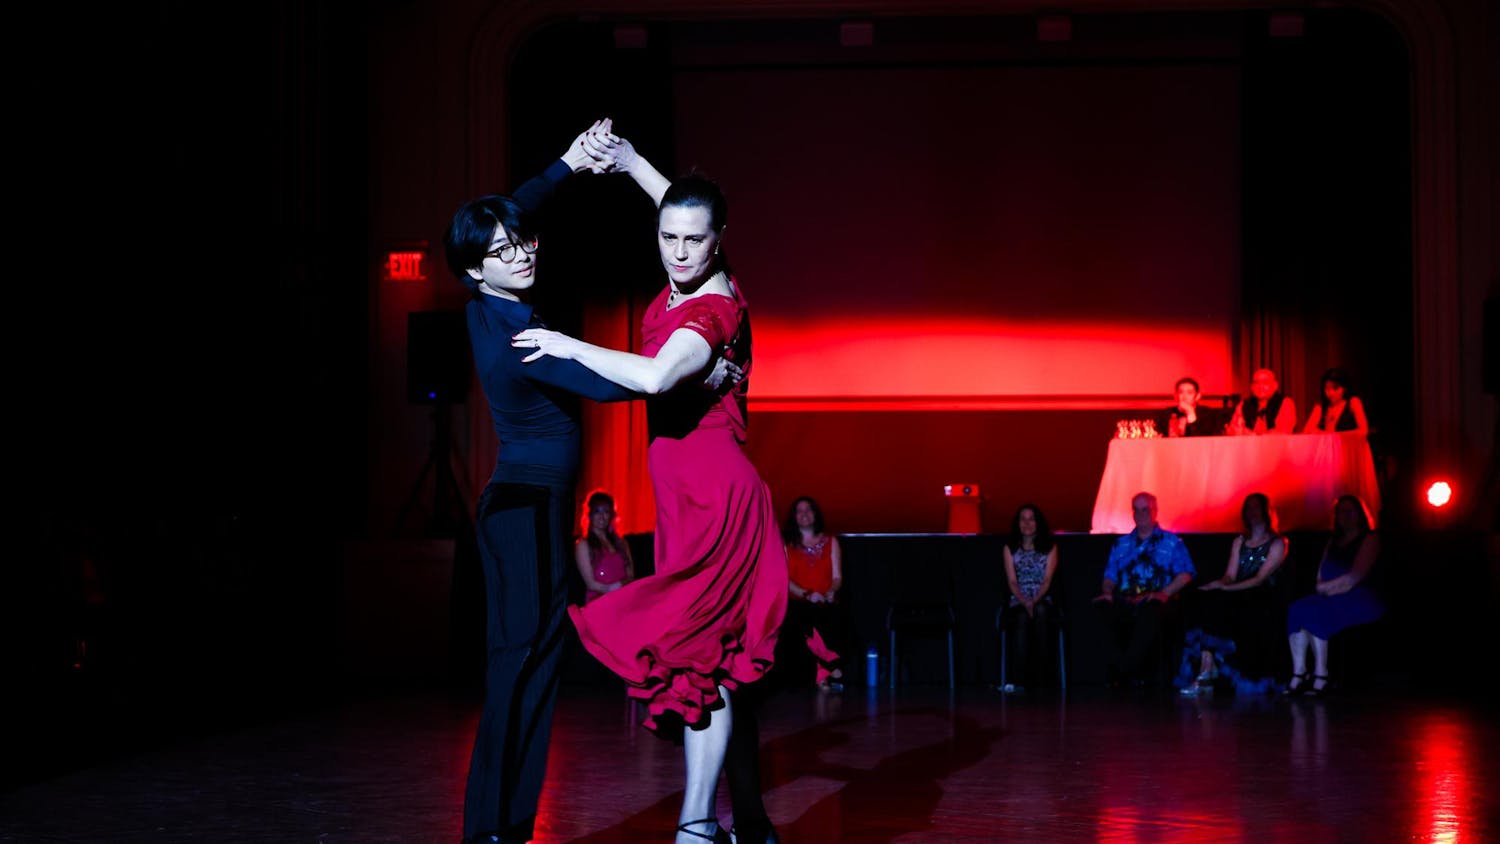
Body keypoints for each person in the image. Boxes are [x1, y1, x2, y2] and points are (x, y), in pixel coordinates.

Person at [446, 123, 741, 844]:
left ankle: (507, 824)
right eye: (503, 252)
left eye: (523, 242)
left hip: (531, 508)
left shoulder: (491, 301)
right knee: (520, 666)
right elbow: (625, 386)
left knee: (536, 662)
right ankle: (490, 829)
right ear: (475, 271)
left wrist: (566, 166)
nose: (520, 253)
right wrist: (705, 370)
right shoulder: (518, 332)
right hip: (521, 507)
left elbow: (506, 213)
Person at [514, 128, 785, 844]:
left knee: (704, 665)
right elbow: (678, 203)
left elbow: (658, 376)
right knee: (719, 664)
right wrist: (632, 162)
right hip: (682, 501)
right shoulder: (683, 254)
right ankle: (749, 820)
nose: (679, 251)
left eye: (695, 241)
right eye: (668, 237)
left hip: (717, 501)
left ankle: (697, 825)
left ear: (718, 241)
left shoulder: (711, 309)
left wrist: (565, 340)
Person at [1179, 492, 1288, 696]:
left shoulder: (1278, 543)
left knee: (1222, 603)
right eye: (1248, 508)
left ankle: (1209, 670)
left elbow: (1260, 578)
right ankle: (1206, 666)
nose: (1252, 512)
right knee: (1202, 599)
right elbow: (1230, 574)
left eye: (1256, 507)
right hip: (1238, 592)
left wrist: (1226, 588)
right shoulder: (1239, 542)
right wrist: (1217, 585)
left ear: (1266, 511)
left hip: (1262, 596)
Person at [1092, 492, 1196, 687]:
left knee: (1151, 612)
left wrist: (1164, 593)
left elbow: (1185, 574)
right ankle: (1121, 669)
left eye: (1145, 509)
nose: (1140, 514)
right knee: (1101, 609)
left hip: (1156, 600)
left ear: (1155, 511)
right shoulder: (1120, 544)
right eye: (1136, 510)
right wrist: (1107, 591)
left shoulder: (1171, 542)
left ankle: (1126, 670)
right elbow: (1110, 576)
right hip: (1126, 599)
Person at [1284, 494, 1384, 697]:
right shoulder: (1333, 541)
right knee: (1297, 609)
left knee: (1317, 612)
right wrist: (1322, 587)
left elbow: (1355, 576)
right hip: (1331, 594)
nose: (1345, 516)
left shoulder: (1370, 539)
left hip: (1360, 597)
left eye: (1350, 511)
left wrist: (1328, 589)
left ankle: (1322, 675)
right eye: (1341, 511)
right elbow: (1320, 572)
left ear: (1360, 514)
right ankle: (1299, 672)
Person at [778, 496, 847, 692]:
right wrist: (807, 594)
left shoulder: (831, 542)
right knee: (805, 619)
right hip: (799, 600)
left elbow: (837, 577)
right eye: (799, 511)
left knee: (829, 617)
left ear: (815, 514)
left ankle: (824, 674)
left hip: (825, 600)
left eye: (808, 510)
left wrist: (830, 592)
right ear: (794, 516)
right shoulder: (786, 545)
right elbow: (784, 579)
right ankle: (829, 668)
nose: (804, 514)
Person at [999, 503, 1060, 694]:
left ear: (1038, 522)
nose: (1027, 523)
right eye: (1023, 519)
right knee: (1022, 617)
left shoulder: (1050, 547)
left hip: (1042, 596)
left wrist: (1034, 600)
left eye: (1031, 519)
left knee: (1041, 612)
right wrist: (1025, 601)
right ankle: (1020, 680)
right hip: (1018, 598)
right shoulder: (1009, 548)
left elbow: (1047, 579)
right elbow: (1012, 581)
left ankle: (1042, 679)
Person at [575, 489, 634, 603]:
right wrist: (611, 589)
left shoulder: (621, 543)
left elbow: (630, 575)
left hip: (624, 599)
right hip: (599, 602)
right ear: (590, 515)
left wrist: (620, 588)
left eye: (606, 511)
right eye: (597, 511)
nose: (602, 516)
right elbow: (591, 583)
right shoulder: (583, 545)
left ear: (611, 515)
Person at [1301, 367, 1369, 436]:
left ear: (1344, 388)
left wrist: (1335, 435)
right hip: (1328, 445)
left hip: (1350, 445)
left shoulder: (1353, 402)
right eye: (1327, 388)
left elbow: (1363, 431)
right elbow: (1306, 431)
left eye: (1335, 388)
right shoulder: (1321, 406)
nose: (1330, 393)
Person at [1227, 368, 1297, 435]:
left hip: (1277, 446)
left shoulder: (1285, 403)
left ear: (1275, 386)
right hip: (1248, 446)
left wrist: (1252, 435)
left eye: (1265, 382)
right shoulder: (1243, 405)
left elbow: (1283, 432)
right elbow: (1235, 428)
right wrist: (1232, 430)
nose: (1260, 386)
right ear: (1251, 387)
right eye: (1256, 383)